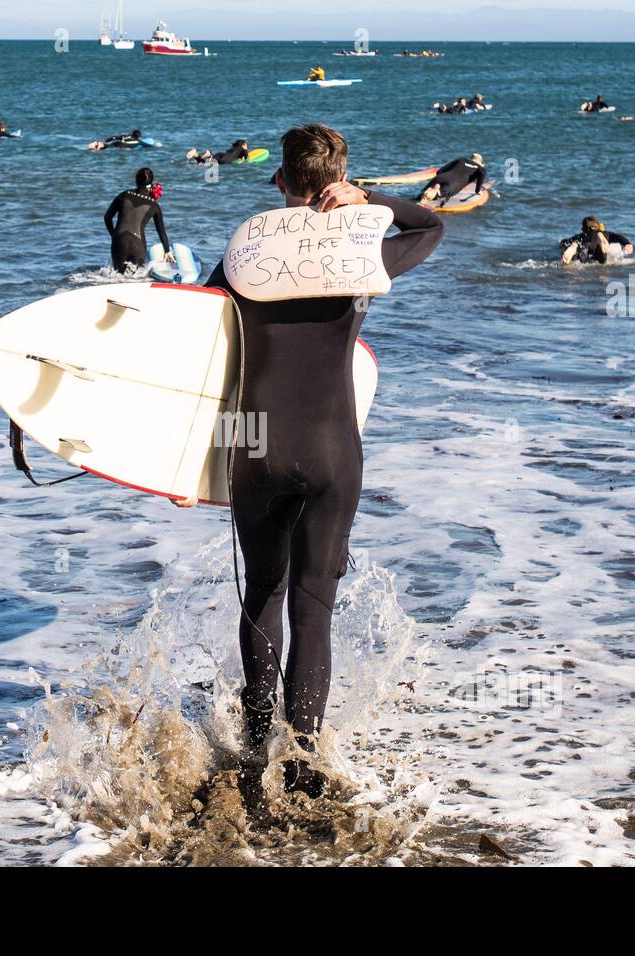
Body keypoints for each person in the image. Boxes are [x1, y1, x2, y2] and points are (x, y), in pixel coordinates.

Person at [179, 125, 444, 801]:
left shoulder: (245, 253)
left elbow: (197, 350)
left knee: (262, 591)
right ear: (341, 178)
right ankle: (301, 770)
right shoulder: (364, 251)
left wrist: (180, 461)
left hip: (258, 444)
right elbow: (431, 226)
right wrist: (369, 201)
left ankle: (252, 748)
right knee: (313, 606)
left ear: (279, 181)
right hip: (332, 447)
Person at [103, 167, 173, 274]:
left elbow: (107, 218)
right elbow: (161, 232)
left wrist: (114, 235)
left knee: (116, 278)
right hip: (138, 244)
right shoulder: (154, 206)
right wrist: (167, 250)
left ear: (136, 180)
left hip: (119, 242)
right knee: (135, 279)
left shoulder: (124, 195)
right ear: (152, 182)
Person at [559, 216, 634, 264]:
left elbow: (564, 242)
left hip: (585, 244)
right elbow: (618, 237)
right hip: (599, 240)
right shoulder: (605, 233)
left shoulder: (582, 235)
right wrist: (627, 243)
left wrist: (562, 245)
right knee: (602, 261)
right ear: (599, 227)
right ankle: (602, 247)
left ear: (583, 229)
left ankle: (573, 248)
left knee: (580, 255)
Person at [418, 153, 486, 203]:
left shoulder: (461, 160)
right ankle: (431, 194)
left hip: (440, 177)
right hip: (452, 184)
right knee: (433, 194)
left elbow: (439, 171)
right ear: (480, 162)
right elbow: (482, 175)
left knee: (418, 197)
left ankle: (433, 188)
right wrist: (478, 190)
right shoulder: (481, 169)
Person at [186, 139, 250, 164]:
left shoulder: (233, 148)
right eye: (246, 145)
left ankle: (198, 156)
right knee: (208, 164)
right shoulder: (242, 149)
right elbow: (247, 159)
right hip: (227, 158)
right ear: (243, 144)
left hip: (221, 154)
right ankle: (208, 155)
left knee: (205, 163)